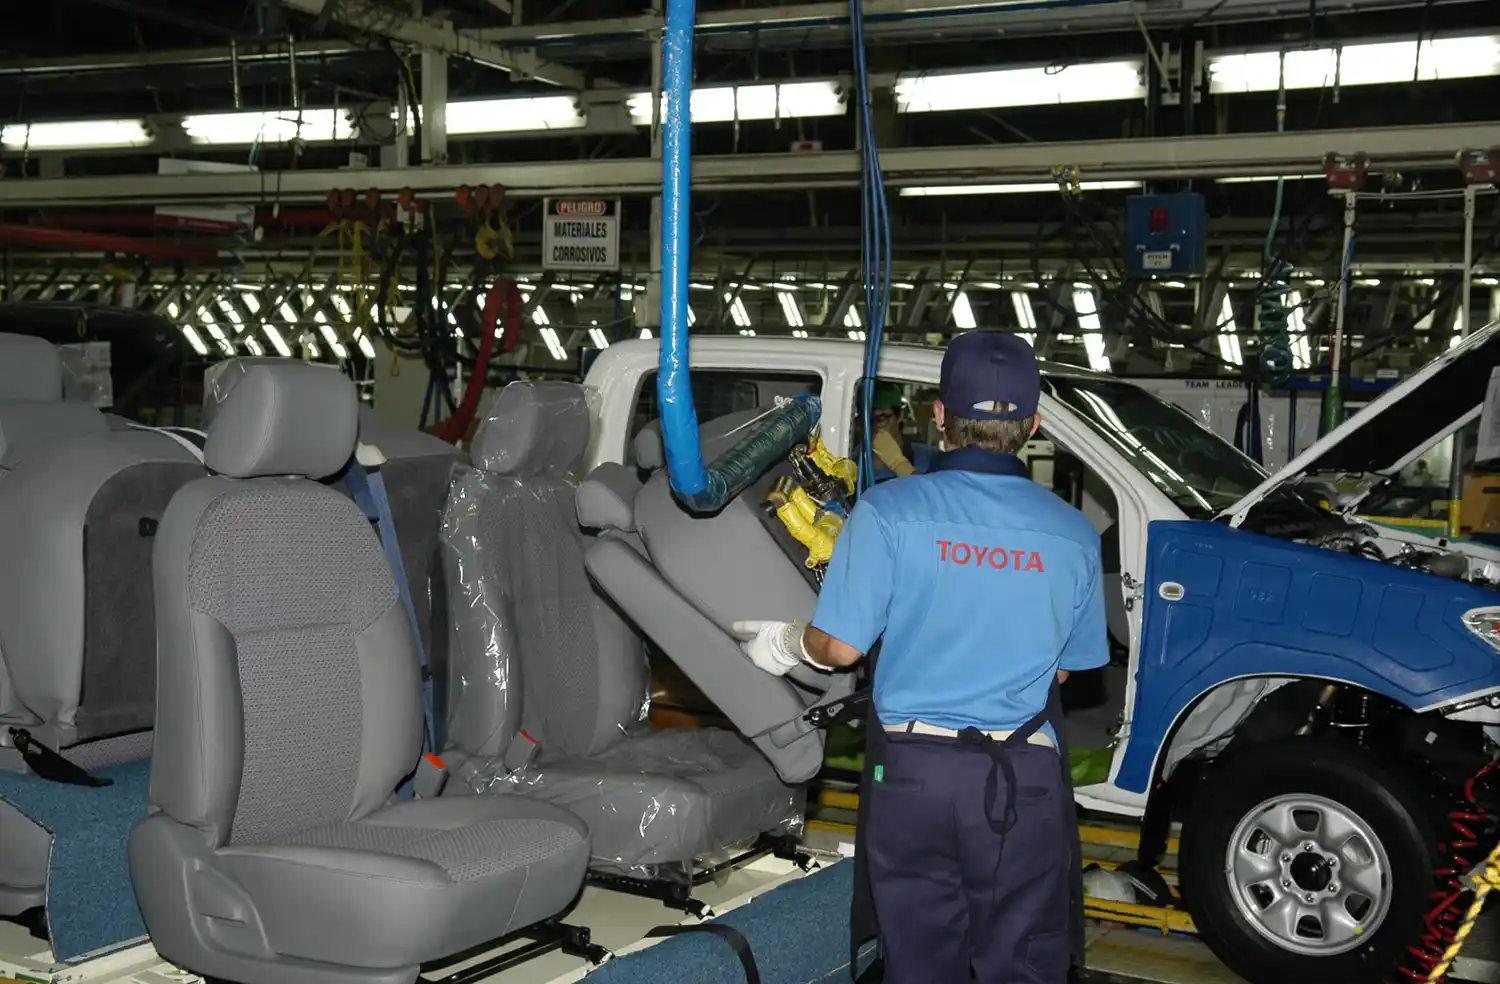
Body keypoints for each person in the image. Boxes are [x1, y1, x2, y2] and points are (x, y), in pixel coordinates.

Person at [734, 332, 1107, 984]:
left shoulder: (889, 511)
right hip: (1022, 780)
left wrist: (787, 641)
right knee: (1023, 964)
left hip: (914, 777)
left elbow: (841, 647)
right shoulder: (1072, 532)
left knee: (918, 963)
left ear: (940, 414)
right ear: (1035, 425)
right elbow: (1069, 669)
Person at [870, 382, 937, 482]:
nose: (874, 426)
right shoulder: (851, 461)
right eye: (868, 419)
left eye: (881, 418)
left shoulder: (927, 459)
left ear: (900, 416)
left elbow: (932, 495)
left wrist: (899, 464)